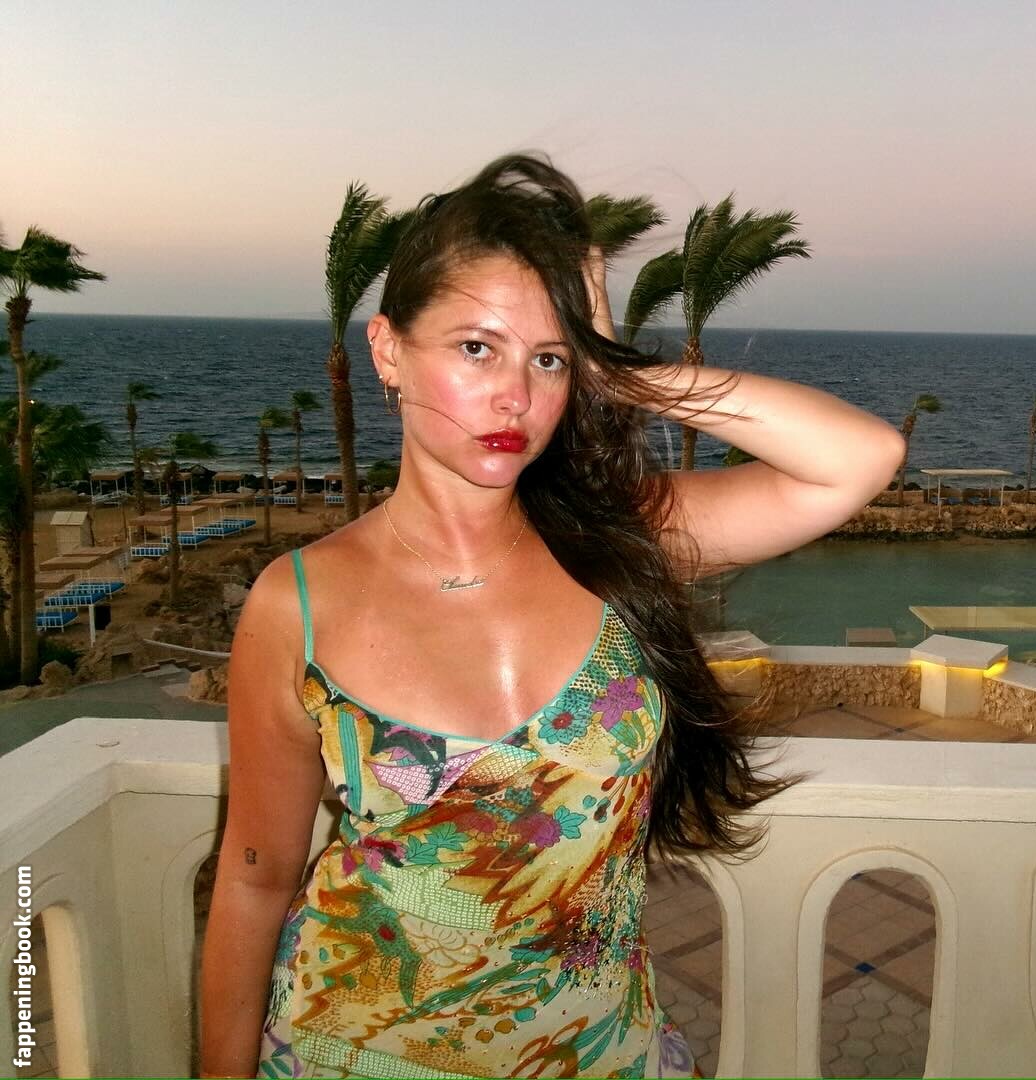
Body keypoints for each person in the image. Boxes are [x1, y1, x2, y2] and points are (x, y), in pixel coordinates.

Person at [198, 155, 905, 1079]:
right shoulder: (298, 602)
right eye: (476, 348)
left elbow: (859, 457)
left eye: (548, 359)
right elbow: (254, 879)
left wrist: (625, 373)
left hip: (600, 1052)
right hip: (350, 1051)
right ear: (388, 351)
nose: (516, 396)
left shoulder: (626, 542)